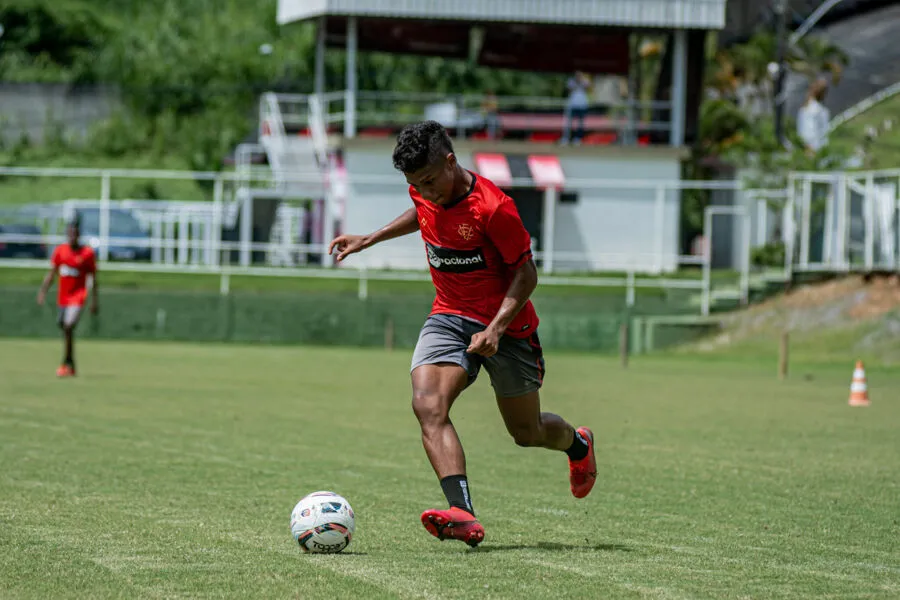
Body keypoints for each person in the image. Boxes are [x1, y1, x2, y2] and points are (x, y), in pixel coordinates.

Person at [328, 121, 596, 548]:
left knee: (526, 434)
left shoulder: (493, 208)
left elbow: (527, 275)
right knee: (427, 404)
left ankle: (577, 444)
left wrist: (495, 329)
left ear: (450, 161)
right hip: (449, 315)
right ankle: (462, 513)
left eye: (431, 180)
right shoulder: (423, 186)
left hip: (508, 329)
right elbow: (424, 211)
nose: (425, 190)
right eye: (416, 183)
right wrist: (371, 238)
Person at [37, 215, 98, 377]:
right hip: (63, 298)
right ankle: (70, 362)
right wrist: (43, 291)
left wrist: (93, 300)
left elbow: (93, 278)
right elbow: (52, 274)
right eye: (69, 233)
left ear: (79, 235)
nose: (72, 236)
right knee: (64, 327)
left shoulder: (87, 253)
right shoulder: (60, 251)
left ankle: (66, 361)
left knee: (69, 325)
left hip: (78, 297)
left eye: (75, 233)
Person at [797, 78, 831, 156]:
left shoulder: (807, 107)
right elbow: (809, 133)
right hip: (814, 151)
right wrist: (811, 150)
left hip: (813, 149)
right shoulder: (815, 110)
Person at [561, 71, 591, 145]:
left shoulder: (585, 80)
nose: (578, 76)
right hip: (572, 105)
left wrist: (581, 82)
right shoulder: (571, 81)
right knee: (568, 123)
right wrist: (576, 83)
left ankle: (577, 139)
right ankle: (566, 138)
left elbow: (588, 87)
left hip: (582, 105)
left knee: (580, 124)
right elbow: (569, 89)